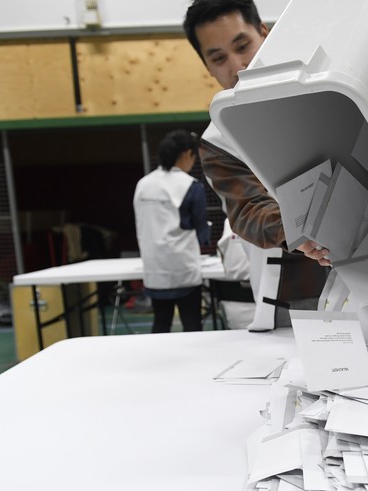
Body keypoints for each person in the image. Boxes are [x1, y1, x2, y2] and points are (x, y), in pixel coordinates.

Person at [183, 0, 330, 330]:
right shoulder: (217, 139)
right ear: (207, 66)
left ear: (264, 34)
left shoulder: (323, 93)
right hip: (291, 296)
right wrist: (296, 230)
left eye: (243, 45)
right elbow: (247, 209)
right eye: (219, 58)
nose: (237, 66)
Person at [134, 130, 210, 333]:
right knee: (192, 325)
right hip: (182, 269)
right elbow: (202, 230)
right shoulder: (190, 186)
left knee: (160, 325)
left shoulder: (143, 184)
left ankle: (158, 364)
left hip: (153, 269)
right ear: (187, 154)